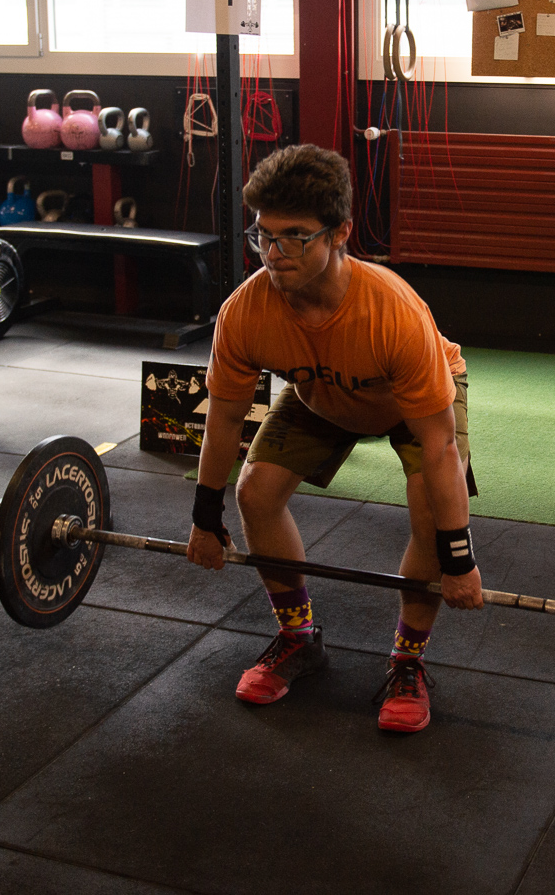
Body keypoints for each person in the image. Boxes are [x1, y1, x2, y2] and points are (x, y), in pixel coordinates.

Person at [186, 144, 483, 733]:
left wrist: (459, 558)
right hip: (320, 393)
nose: (274, 253)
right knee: (257, 492)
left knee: (431, 511)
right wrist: (203, 513)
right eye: (264, 236)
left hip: (413, 404)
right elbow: (223, 420)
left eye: (295, 235)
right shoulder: (245, 312)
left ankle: (408, 660)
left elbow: (441, 446)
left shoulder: (391, 312)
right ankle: (297, 638)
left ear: (341, 232)